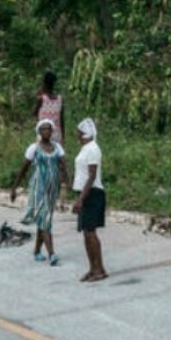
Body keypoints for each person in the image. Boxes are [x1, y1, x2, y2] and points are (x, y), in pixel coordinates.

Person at [10, 119, 68, 265]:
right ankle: (52, 253)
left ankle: (37, 251)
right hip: (38, 188)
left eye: (49, 129)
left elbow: (63, 166)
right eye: (43, 129)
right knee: (45, 219)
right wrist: (14, 188)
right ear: (39, 132)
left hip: (52, 189)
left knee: (44, 220)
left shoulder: (58, 148)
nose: (46, 131)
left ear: (52, 131)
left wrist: (67, 183)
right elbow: (24, 169)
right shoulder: (34, 148)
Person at [72, 118, 107, 282]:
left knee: (91, 232)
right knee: (86, 232)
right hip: (86, 193)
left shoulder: (92, 149)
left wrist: (81, 199)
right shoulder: (85, 149)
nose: (77, 136)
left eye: (79, 133)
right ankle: (92, 268)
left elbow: (92, 175)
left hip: (92, 194)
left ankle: (100, 268)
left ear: (84, 134)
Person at [32, 71, 65, 145]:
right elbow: (61, 120)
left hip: (43, 135)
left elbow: (34, 113)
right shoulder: (60, 99)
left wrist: (39, 93)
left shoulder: (41, 99)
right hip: (57, 135)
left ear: (44, 83)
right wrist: (63, 137)